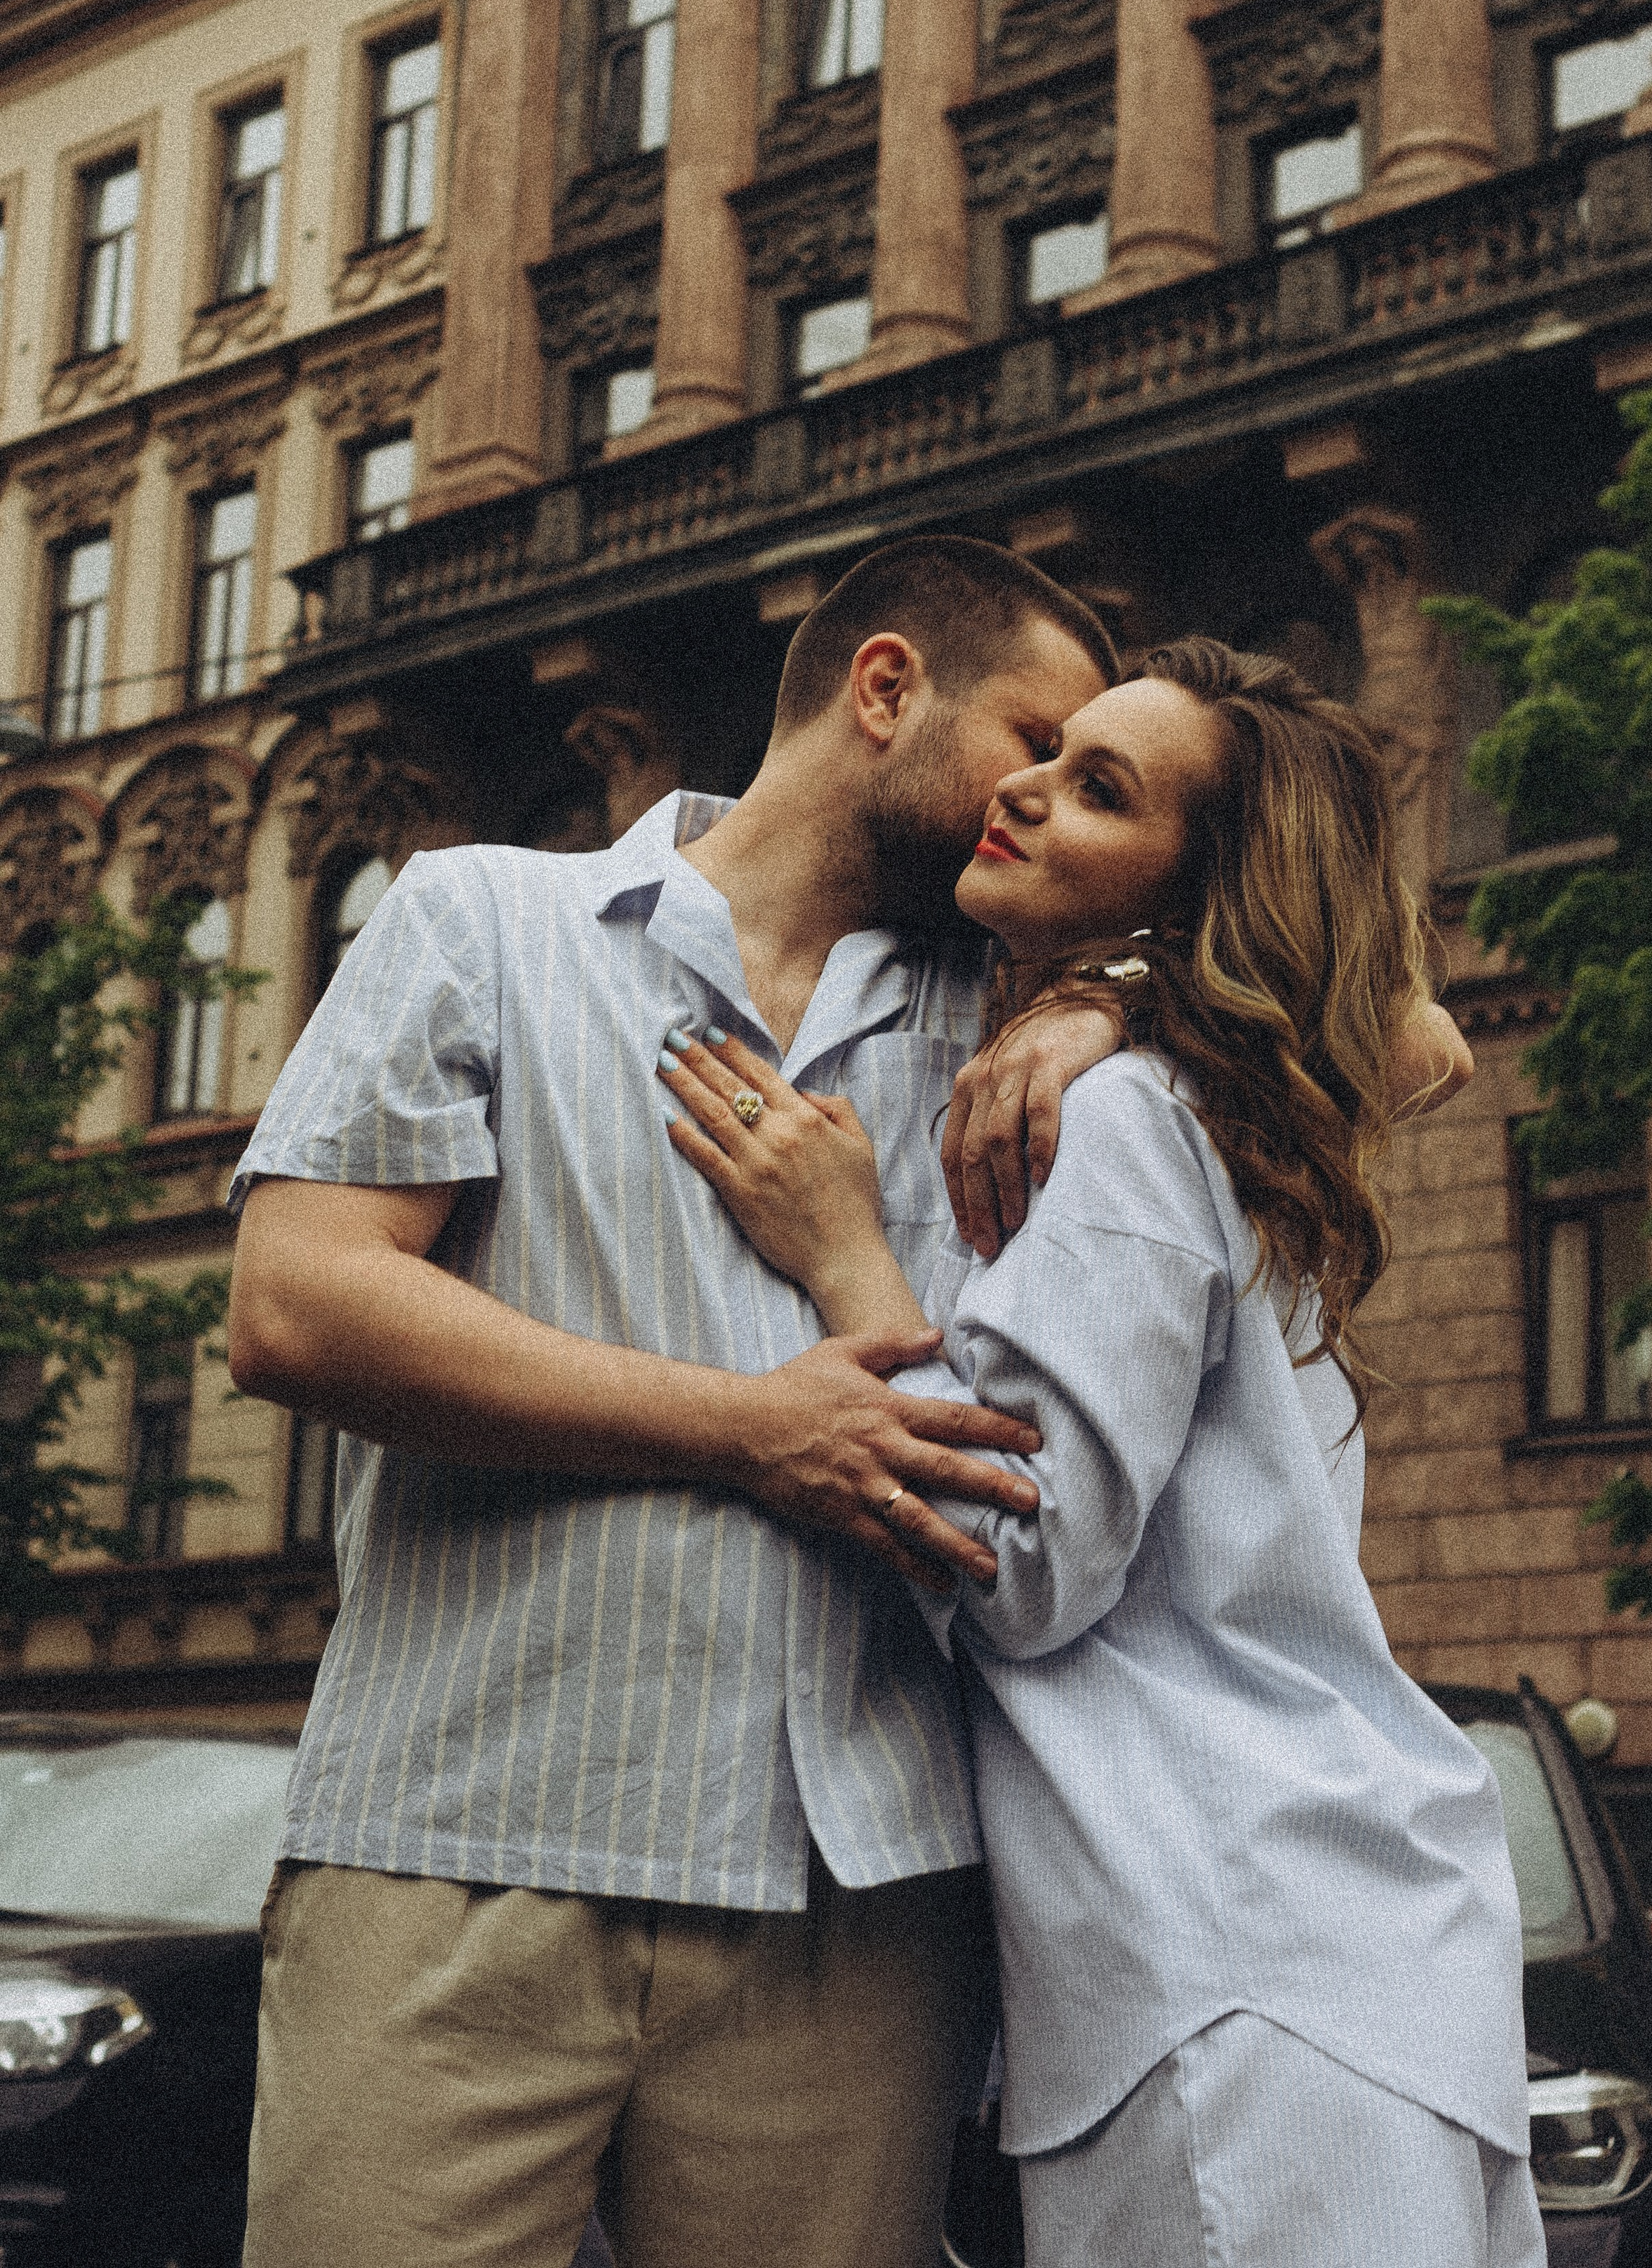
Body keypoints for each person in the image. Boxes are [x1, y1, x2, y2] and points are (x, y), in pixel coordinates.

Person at [226, 536, 1127, 2268]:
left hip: (854, 1905)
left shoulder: (1018, 1027)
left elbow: (1390, 1026)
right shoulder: (483, 919)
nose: (1043, 805)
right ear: (884, 690)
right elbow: (296, 1304)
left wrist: (1123, 1004)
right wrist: (751, 1424)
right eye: (1033, 742)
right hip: (458, 1852)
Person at [655, 636, 1543, 2268]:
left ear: (1193, 891)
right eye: (1052, 752)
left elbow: (1019, 1564)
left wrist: (848, 1253)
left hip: (1220, 1965)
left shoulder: (1133, 1118)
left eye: (1099, 789)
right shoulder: (1232, 1107)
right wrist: (1119, 988)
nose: (1025, 784)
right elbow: (1411, 1033)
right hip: (1332, 1957)